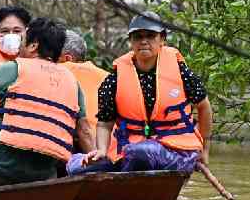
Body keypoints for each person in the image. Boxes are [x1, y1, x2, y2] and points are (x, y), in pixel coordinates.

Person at [0, 18, 93, 185]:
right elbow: (85, 132)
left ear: (33, 45)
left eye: (23, 40)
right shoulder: (72, 82)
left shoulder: (11, 68)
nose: (19, 46)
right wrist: (96, 164)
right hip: (45, 175)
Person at [80, 11, 212, 173]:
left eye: (150, 36)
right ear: (131, 41)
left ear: (162, 39)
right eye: (138, 37)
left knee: (142, 152)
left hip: (177, 150)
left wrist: (205, 149)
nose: (144, 41)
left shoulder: (181, 72)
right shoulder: (114, 80)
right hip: (130, 151)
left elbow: (204, 107)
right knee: (78, 167)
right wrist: (101, 150)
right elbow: (105, 124)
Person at [59, 29, 109, 139]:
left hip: (90, 147)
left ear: (67, 59)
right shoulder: (107, 76)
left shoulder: (62, 71)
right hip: (117, 149)